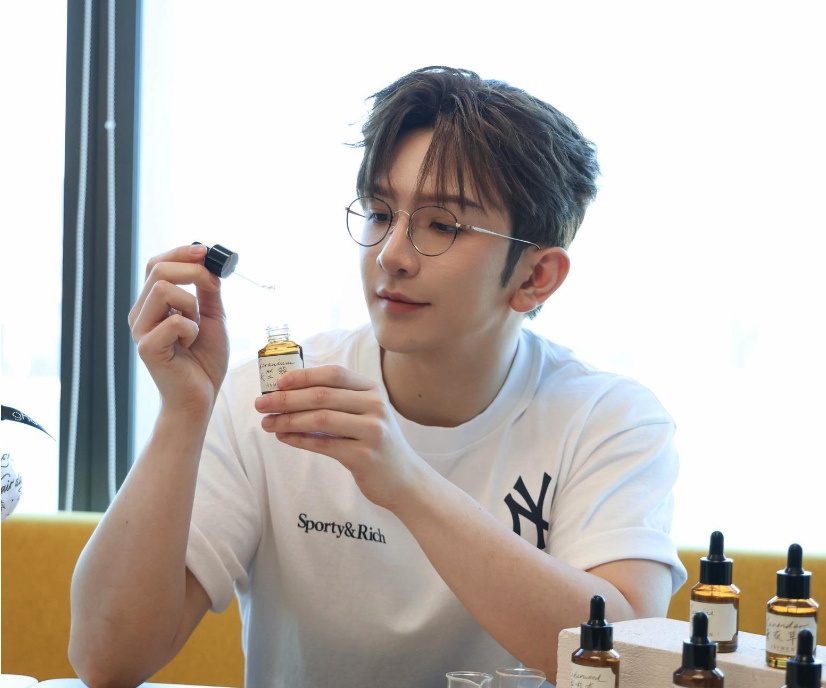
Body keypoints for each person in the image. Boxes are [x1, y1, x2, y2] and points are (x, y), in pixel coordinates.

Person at [70, 66, 687, 688]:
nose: (390, 255)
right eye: (379, 212)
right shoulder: (274, 399)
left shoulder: (609, 419)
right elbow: (107, 659)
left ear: (536, 277)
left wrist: (406, 483)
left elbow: (629, 665)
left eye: (442, 225)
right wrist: (182, 415)